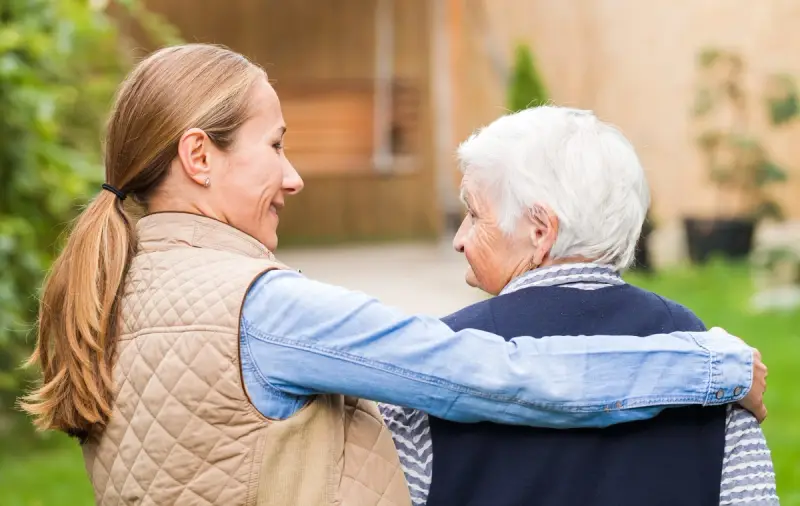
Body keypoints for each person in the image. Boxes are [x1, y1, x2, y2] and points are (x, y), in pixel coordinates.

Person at [20, 45, 766, 506]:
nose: (293, 176)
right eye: (275, 146)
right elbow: (495, 375)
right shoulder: (262, 309)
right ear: (199, 157)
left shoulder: (118, 291)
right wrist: (715, 364)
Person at [381, 106, 778, 506]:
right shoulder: (711, 362)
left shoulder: (431, 366)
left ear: (540, 230)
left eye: (473, 213)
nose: (460, 239)